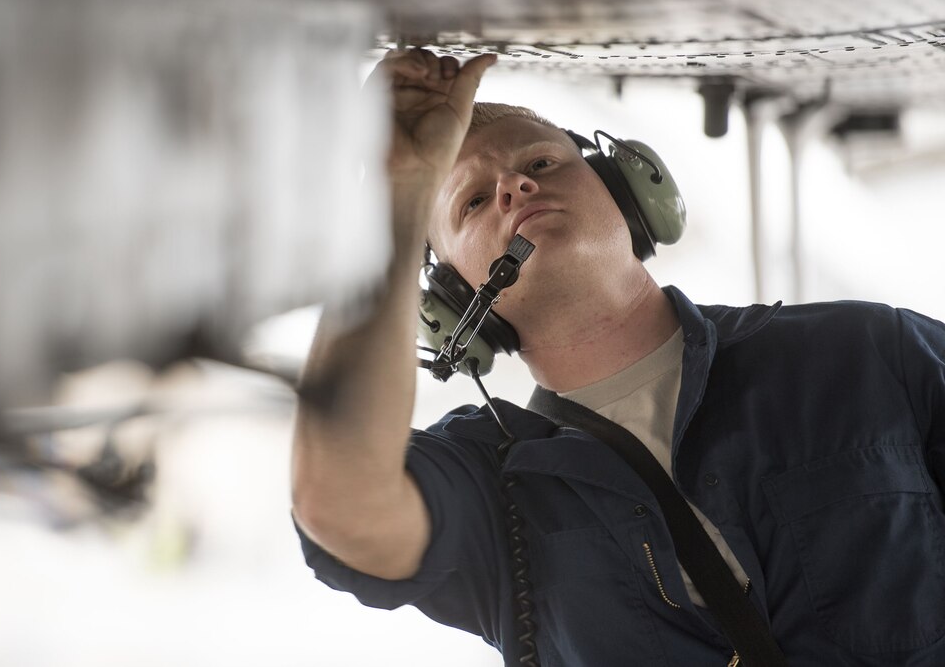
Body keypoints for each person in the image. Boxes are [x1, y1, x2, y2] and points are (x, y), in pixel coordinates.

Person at [290, 48, 945, 665]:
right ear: (457, 299)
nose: (515, 185)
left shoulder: (862, 350)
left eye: (543, 164)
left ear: (627, 193)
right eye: (472, 201)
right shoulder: (490, 487)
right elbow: (337, 502)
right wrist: (398, 192)